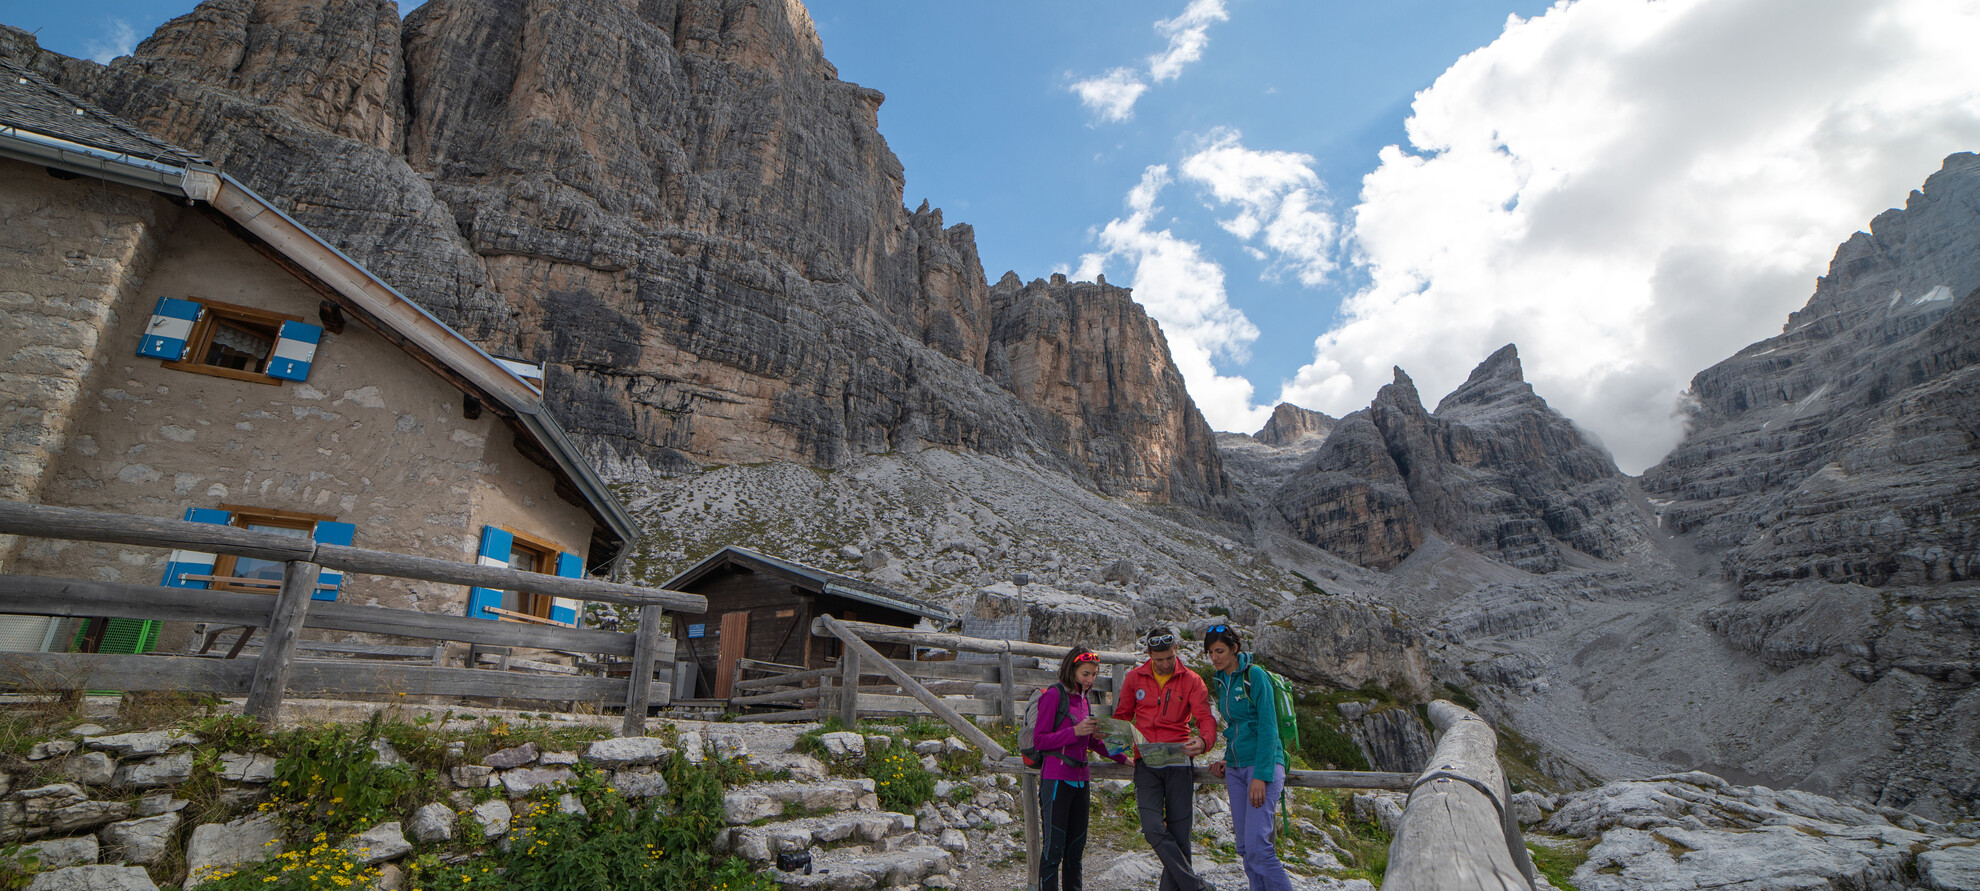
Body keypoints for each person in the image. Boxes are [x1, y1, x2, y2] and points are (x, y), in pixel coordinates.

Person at [1114, 625, 1217, 891]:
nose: (1165, 664)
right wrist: (1115, 746)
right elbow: (1122, 717)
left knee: (1181, 837)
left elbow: (1205, 718)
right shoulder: (1134, 678)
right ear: (1148, 654)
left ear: (1176, 650)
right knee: (1152, 828)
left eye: (1169, 658)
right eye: (1158, 660)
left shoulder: (1192, 680)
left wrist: (1204, 741)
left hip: (1179, 761)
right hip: (1146, 762)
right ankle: (1197, 887)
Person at [1204, 624, 1292, 891]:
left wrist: (1261, 776)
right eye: (1210, 652)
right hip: (1236, 769)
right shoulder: (1221, 680)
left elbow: (1268, 727)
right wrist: (1227, 760)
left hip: (1261, 768)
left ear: (1234, 648)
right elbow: (1234, 728)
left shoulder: (1255, 676)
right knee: (1245, 847)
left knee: (1258, 846)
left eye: (1219, 650)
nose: (1214, 657)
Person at [1032, 646, 1126, 891]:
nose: (1090, 679)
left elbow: (1092, 740)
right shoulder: (1054, 695)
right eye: (1086, 674)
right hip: (1057, 779)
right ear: (1072, 670)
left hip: (1081, 780)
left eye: (1094, 674)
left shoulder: (1085, 699)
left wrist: (1124, 759)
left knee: (1076, 850)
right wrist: (1074, 731)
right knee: (1054, 849)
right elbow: (1039, 740)